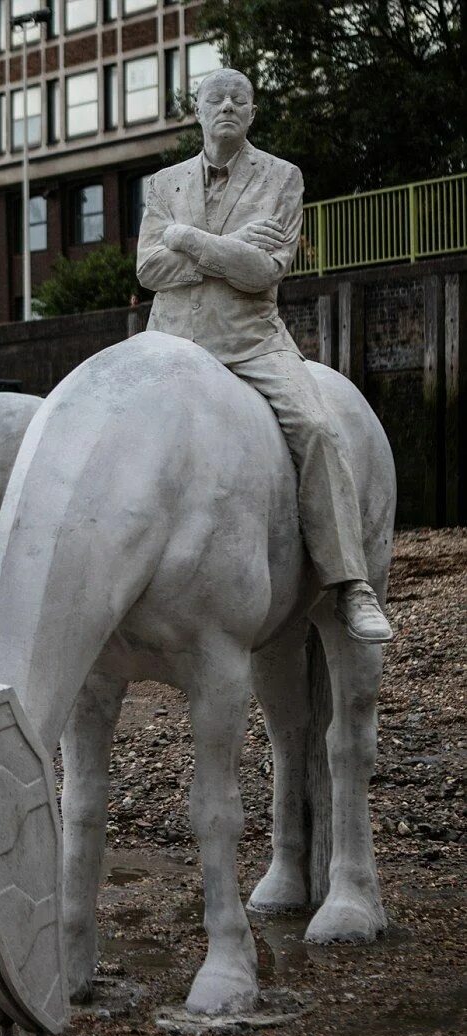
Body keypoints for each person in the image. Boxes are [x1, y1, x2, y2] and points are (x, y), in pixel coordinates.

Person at [136, 67, 392, 643]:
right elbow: (147, 269)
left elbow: (263, 272)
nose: (227, 106)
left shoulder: (282, 178)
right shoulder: (163, 184)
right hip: (169, 342)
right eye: (215, 99)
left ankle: (350, 583)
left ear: (252, 113)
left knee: (318, 428)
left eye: (239, 99)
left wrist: (189, 239)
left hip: (251, 343)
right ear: (197, 111)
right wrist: (229, 248)